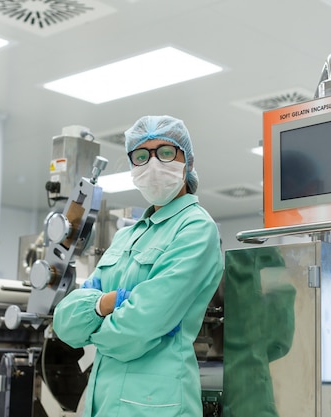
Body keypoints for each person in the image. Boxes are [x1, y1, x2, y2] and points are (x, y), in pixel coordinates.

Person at [53, 115, 224, 417]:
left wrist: (94, 321)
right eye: (142, 156)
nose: (154, 164)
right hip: (102, 403)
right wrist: (110, 302)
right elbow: (66, 322)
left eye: (166, 152)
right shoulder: (126, 236)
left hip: (157, 405)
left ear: (189, 162)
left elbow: (138, 327)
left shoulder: (196, 228)